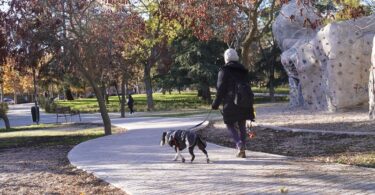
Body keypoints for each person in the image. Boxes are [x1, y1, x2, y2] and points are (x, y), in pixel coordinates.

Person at [211, 48, 255, 158]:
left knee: (229, 124)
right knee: (242, 125)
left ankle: (239, 145)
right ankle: (243, 147)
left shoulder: (224, 70)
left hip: (230, 102)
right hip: (245, 101)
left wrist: (215, 104)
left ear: (226, 58)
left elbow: (220, 89)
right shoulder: (243, 70)